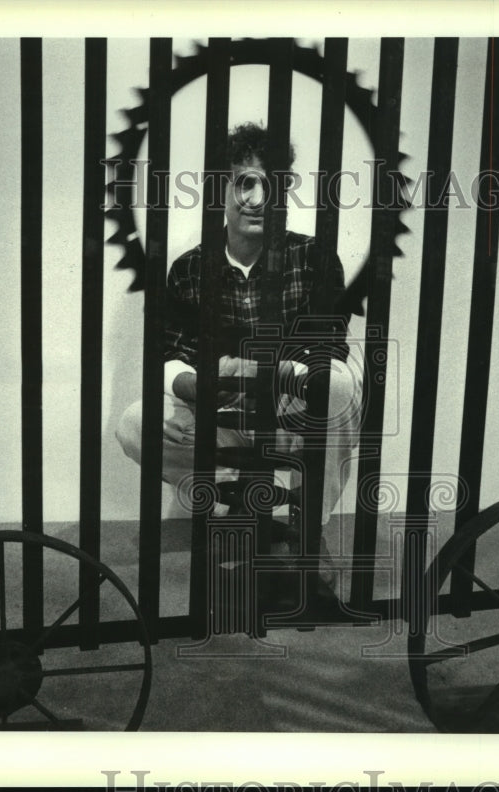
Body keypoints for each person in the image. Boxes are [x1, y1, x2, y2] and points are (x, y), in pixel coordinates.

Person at [116, 122, 363, 604]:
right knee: (133, 423)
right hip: (222, 407)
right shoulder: (190, 267)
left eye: (269, 185)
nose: (255, 198)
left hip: (293, 408)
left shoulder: (314, 257)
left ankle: (308, 528)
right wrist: (196, 385)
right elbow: (170, 355)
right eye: (244, 183)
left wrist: (253, 371)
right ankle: (237, 502)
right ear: (221, 191)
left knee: (338, 386)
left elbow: (327, 349)